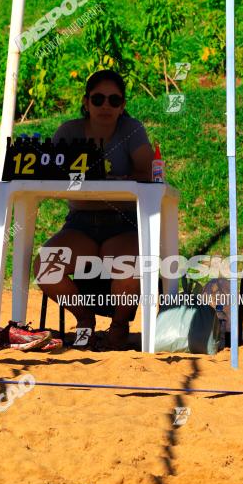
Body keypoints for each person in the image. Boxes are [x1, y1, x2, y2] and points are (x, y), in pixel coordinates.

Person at [33, 69, 155, 350]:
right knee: (45, 266)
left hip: (123, 222)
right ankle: (84, 319)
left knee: (129, 267)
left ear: (123, 105)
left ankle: (119, 326)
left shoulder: (132, 129)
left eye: (114, 100)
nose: (105, 106)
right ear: (86, 102)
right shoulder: (69, 130)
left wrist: (116, 181)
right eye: (98, 99)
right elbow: (49, 173)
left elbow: (149, 171)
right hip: (81, 224)